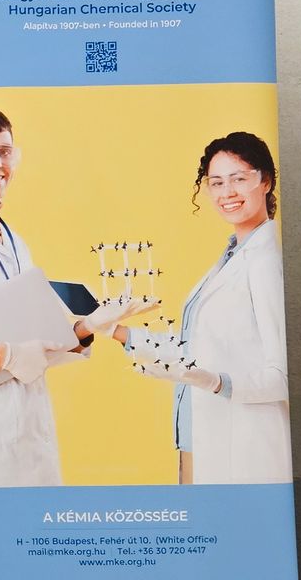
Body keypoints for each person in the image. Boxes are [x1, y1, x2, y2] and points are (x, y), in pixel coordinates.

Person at [0, 108, 146, 488]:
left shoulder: (14, 241)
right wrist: (5, 356)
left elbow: (33, 346)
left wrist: (85, 328)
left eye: (4, 151)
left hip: (30, 436)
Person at [107, 131, 291, 485]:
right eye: (216, 183)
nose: (227, 192)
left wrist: (217, 382)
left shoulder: (268, 262)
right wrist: (117, 331)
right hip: (197, 439)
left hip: (243, 448)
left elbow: (285, 375)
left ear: (265, 181)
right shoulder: (232, 256)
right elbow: (193, 348)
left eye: (239, 179)